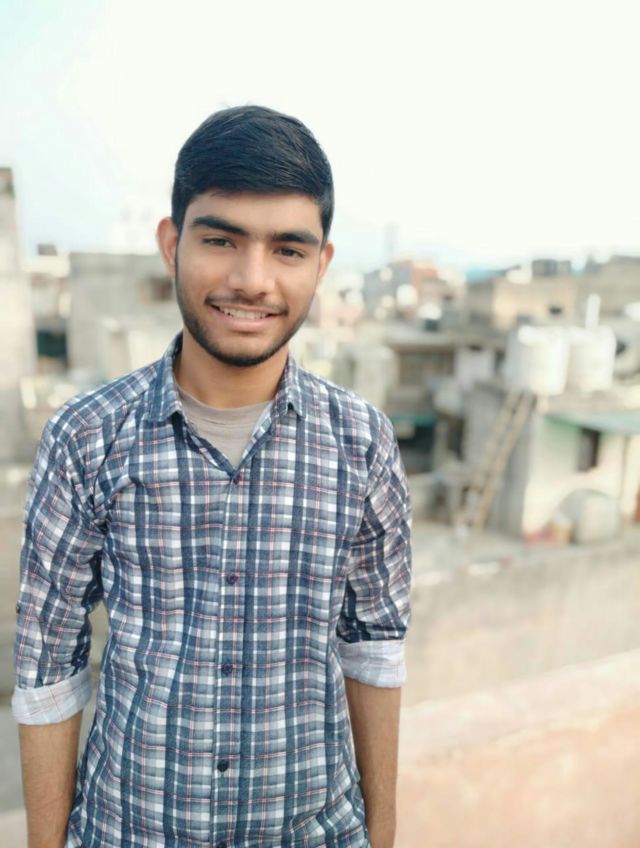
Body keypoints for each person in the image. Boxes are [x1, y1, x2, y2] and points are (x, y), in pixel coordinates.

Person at [13, 105, 412, 848]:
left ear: (321, 265)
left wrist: (381, 837)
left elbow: (375, 650)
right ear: (172, 243)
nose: (251, 280)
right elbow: (47, 668)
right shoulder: (86, 438)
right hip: (128, 830)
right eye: (221, 240)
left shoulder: (362, 444)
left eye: (287, 249)